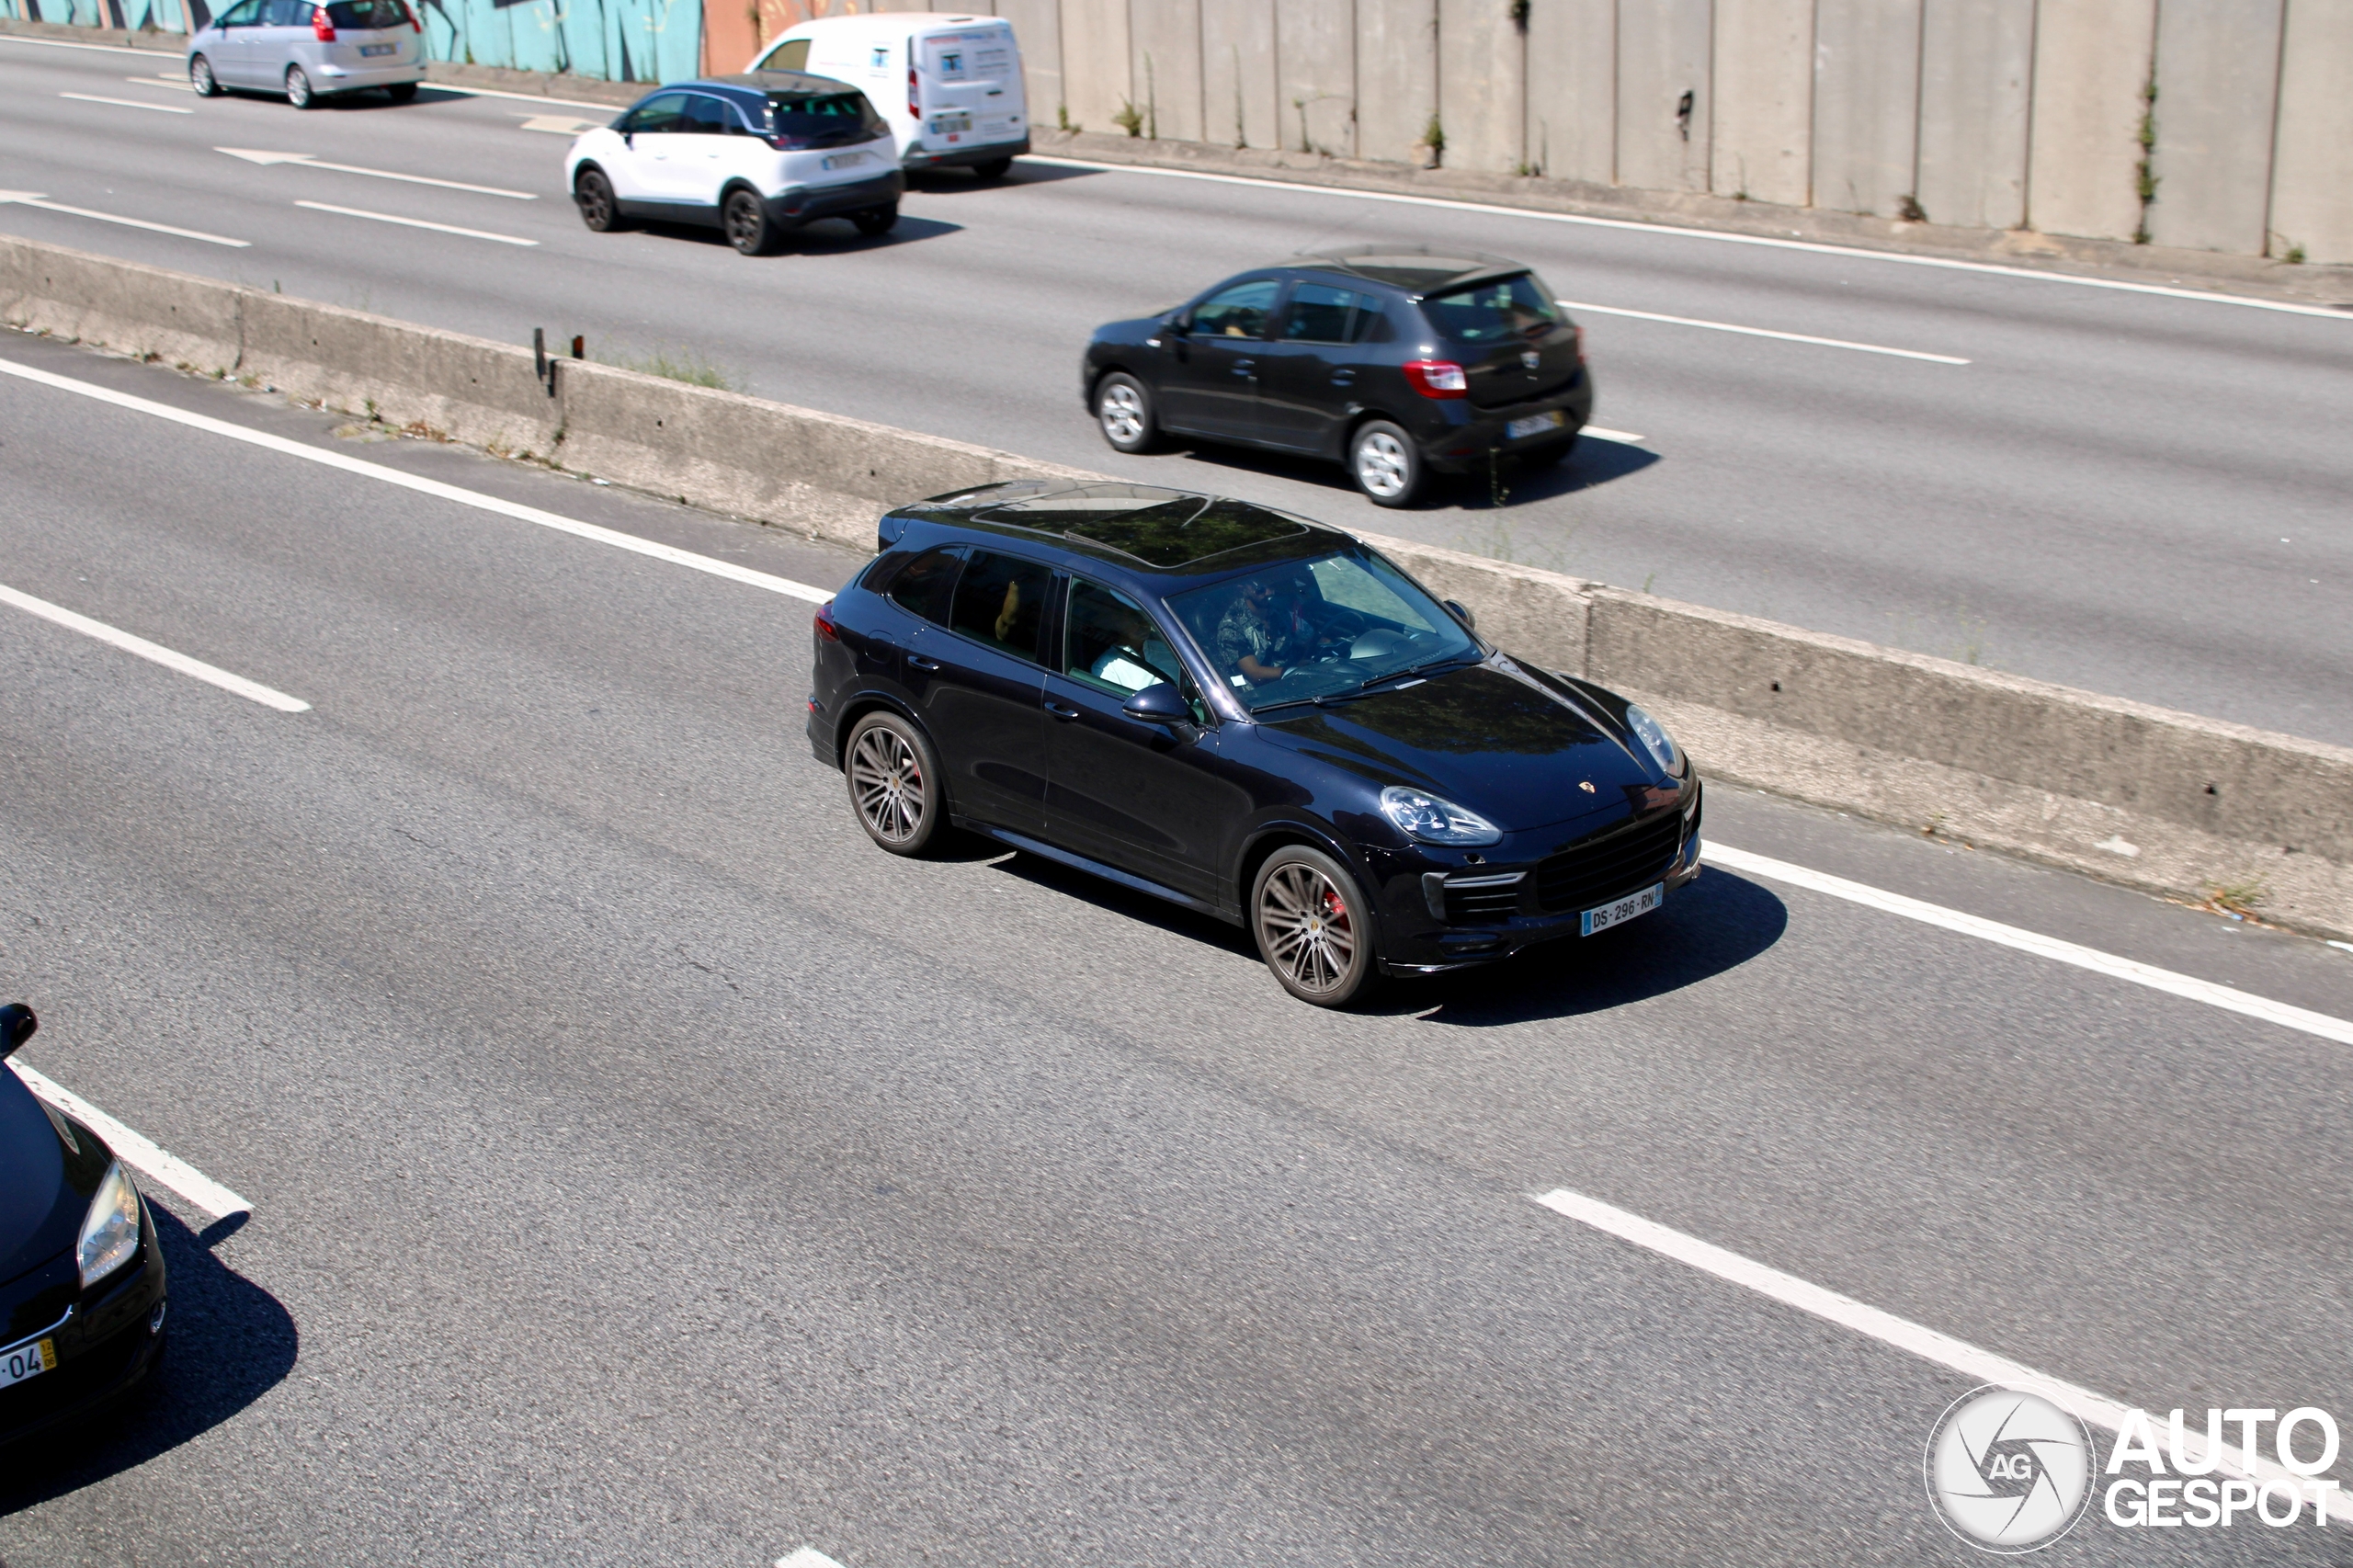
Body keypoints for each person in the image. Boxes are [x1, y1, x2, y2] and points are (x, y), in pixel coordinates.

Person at [1214, 575, 1313, 685]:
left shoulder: (1279, 612)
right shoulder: (1231, 627)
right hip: (1261, 696)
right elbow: (1254, 674)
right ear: (1243, 589)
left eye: (1271, 587)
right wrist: (1294, 670)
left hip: (1294, 681)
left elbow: (1311, 638)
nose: (1269, 593)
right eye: (1260, 589)